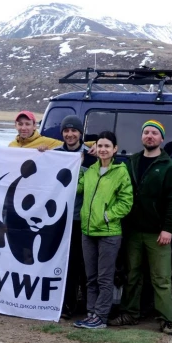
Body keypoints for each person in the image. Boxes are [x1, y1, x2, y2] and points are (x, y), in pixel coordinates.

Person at [109, 120, 172, 335]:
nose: (150, 136)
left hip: (157, 233)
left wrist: (168, 228)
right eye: (146, 132)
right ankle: (129, 314)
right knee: (132, 275)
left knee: (161, 278)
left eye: (154, 133)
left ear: (161, 138)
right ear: (142, 137)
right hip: (133, 231)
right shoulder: (131, 161)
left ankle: (167, 319)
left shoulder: (169, 166)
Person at [73, 131, 133, 329]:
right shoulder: (90, 171)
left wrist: (107, 216)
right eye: (100, 146)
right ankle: (91, 313)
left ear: (115, 149)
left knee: (104, 278)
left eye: (107, 146)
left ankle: (101, 317)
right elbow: (77, 187)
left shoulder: (120, 172)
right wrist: (78, 161)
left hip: (108, 233)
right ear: (95, 148)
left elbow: (126, 201)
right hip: (87, 232)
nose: (103, 149)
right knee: (90, 277)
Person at [53, 115, 96, 319]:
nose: (70, 134)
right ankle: (67, 306)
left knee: (85, 265)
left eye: (74, 131)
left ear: (81, 133)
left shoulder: (92, 155)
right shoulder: (55, 154)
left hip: (82, 219)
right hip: (60, 219)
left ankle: (89, 308)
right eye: (66, 131)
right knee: (65, 264)